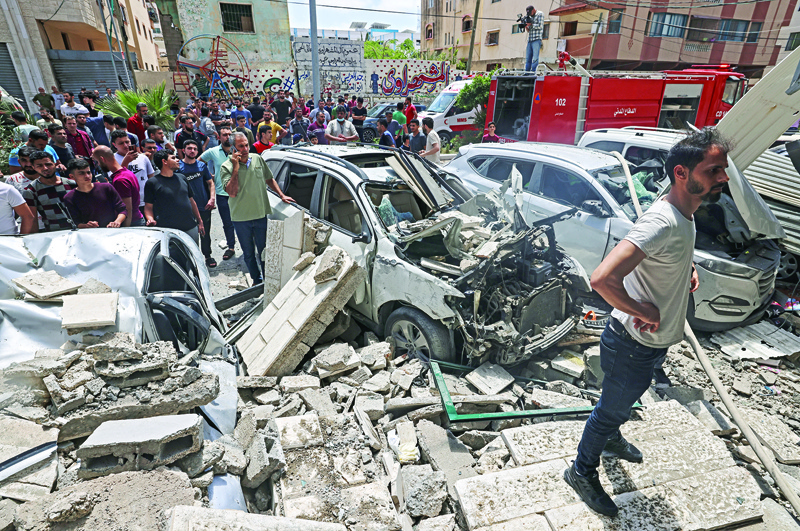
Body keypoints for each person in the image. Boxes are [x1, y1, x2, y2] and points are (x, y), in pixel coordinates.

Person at [564, 128, 731, 517]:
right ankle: (581, 471)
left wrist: (685, 270)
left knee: (623, 402)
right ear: (681, 174)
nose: (723, 177)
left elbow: (666, 253)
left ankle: (611, 439)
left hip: (651, 345)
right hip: (632, 343)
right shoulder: (662, 221)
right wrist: (644, 311)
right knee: (609, 408)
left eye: (724, 168)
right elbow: (602, 279)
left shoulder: (683, 211)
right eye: (714, 169)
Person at [220, 132, 294, 284]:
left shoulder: (258, 159)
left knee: (265, 251)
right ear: (233, 148)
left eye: (247, 145)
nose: (246, 148)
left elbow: (269, 178)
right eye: (241, 146)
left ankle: (268, 281)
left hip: (260, 215)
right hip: (241, 218)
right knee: (248, 254)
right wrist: (235, 168)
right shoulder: (226, 166)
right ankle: (256, 280)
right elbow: (232, 192)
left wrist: (281, 195)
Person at [145, 149, 205, 242]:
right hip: (168, 231)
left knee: (193, 255)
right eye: (173, 158)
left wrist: (200, 221)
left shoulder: (182, 177)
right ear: (164, 161)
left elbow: (191, 201)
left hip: (190, 227)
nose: (177, 160)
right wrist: (150, 219)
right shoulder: (152, 183)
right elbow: (148, 207)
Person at [199, 126, 236, 261]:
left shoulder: (238, 150)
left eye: (229, 134)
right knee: (227, 222)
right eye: (224, 135)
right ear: (219, 137)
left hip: (239, 193)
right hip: (222, 193)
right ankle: (231, 247)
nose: (227, 137)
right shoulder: (212, 152)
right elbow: (199, 163)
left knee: (242, 221)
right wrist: (209, 176)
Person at [180, 140, 217, 267]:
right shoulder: (178, 168)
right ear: (183, 150)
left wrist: (212, 199)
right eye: (189, 148)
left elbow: (210, 183)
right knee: (188, 234)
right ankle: (191, 259)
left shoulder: (202, 166)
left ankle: (207, 256)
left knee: (205, 232)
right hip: (186, 208)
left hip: (204, 206)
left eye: (195, 149)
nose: (192, 151)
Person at [63, 158, 126, 229]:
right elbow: (75, 222)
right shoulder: (69, 198)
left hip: (113, 232)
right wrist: (87, 226)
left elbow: (122, 210)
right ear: (72, 177)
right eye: (81, 173)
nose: (87, 176)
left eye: (88, 172)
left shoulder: (106, 187)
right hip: (90, 236)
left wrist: (117, 222)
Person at [22, 150, 76, 232]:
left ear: (55, 164)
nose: (45, 168)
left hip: (79, 232)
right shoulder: (31, 191)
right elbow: (32, 220)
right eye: (39, 165)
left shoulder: (72, 184)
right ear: (33, 167)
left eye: (48, 164)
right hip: (53, 235)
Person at [92, 144, 143, 227]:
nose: (98, 164)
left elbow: (127, 210)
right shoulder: (126, 172)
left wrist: (125, 229)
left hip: (132, 224)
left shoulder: (120, 180)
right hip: (136, 219)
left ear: (102, 159)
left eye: (97, 161)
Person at [110, 129, 154, 216]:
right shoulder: (112, 160)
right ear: (114, 145)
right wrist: (126, 162)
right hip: (126, 204)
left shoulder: (143, 158)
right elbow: (115, 179)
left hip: (145, 202)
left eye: (127, 142)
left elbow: (151, 179)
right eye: (121, 143)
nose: (126, 145)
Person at [524, 5, 544, 73]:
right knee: (528, 58)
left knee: (535, 58)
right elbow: (529, 30)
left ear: (533, 10)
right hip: (530, 39)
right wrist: (526, 26)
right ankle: (527, 72)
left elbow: (540, 26)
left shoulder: (540, 14)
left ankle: (533, 72)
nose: (530, 15)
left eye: (530, 13)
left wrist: (531, 24)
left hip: (537, 39)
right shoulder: (530, 17)